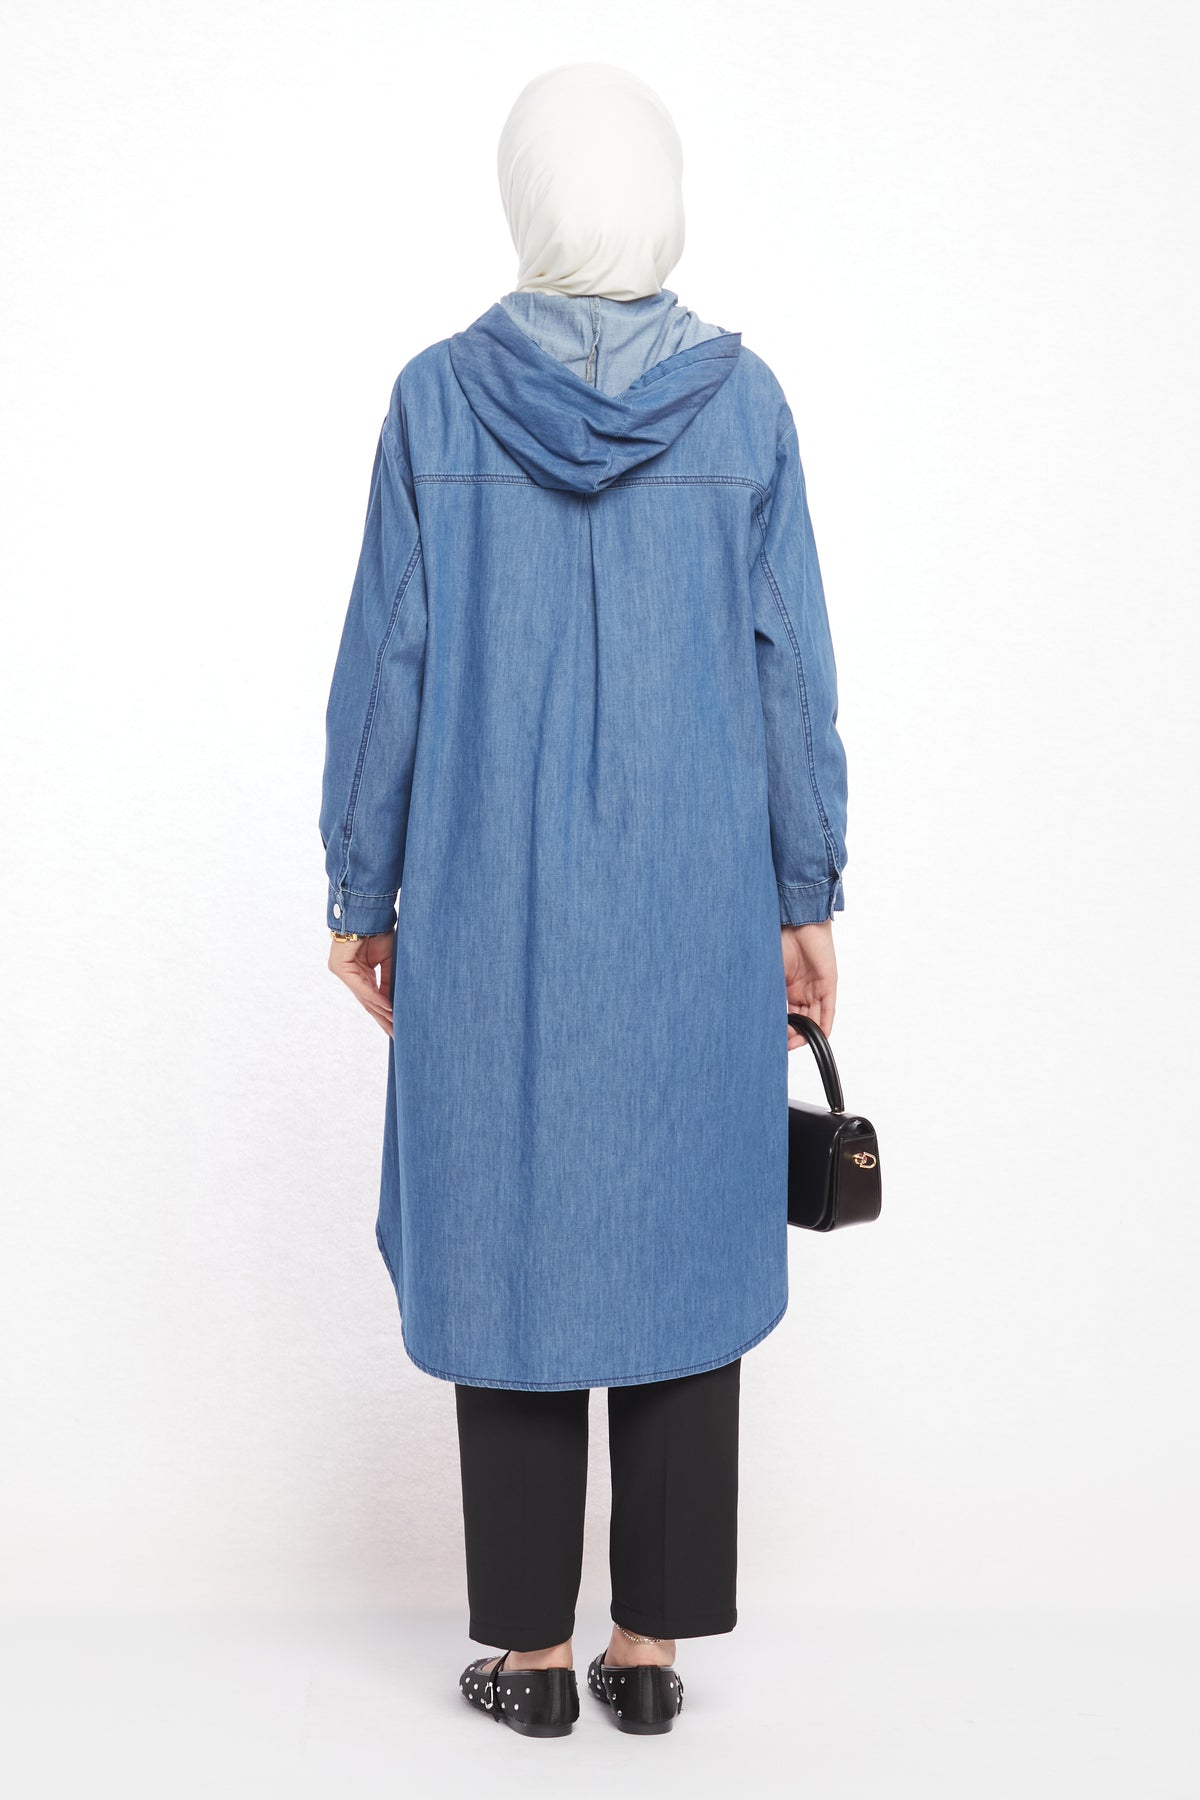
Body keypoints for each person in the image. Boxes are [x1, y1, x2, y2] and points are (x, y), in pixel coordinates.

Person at [318, 60, 849, 1739]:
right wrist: (804, 893)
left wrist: (361, 884)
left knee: (509, 1238)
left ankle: (531, 1663)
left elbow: (387, 666)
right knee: (686, 1232)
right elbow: (789, 675)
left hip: (492, 915)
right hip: (697, 911)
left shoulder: (436, 401)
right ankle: (650, 1649)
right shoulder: (747, 409)